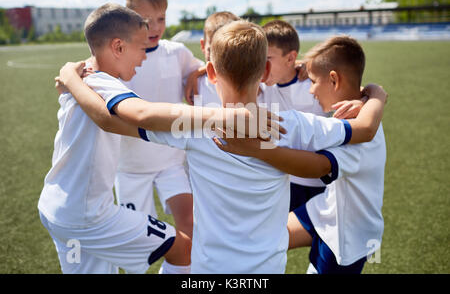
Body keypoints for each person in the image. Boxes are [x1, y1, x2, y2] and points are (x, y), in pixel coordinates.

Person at [57, 21, 387, 273]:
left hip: (209, 268)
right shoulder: (292, 125)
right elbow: (364, 129)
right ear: (267, 70)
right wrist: (374, 93)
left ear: (211, 73)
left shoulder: (191, 127)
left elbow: (108, 119)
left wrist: (75, 80)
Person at [39, 4, 276, 274]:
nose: (143, 58)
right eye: (141, 48)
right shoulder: (101, 82)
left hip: (59, 207)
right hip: (88, 216)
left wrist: (70, 76)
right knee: (182, 249)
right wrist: (222, 116)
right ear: (118, 47)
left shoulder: (81, 80)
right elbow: (143, 113)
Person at [215, 35, 387, 274]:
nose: (311, 89)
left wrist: (256, 150)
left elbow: (319, 167)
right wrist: (374, 93)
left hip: (347, 234)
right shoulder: (357, 109)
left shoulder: (362, 128)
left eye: (314, 81)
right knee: (259, 238)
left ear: (334, 80)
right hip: (324, 209)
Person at [115, 0, 203, 247]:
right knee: (136, 240)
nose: (154, 27)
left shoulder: (176, 52)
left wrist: (196, 72)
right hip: (131, 166)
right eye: (145, 20)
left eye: (161, 18)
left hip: (171, 160)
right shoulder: (119, 56)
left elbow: (204, 69)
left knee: (189, 223)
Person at [260, 20, 366, 211]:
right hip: (283, 181)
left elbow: (351, 91)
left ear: (291, 58)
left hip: (323, 183)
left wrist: (367, 98)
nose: (262, 65)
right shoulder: (260, 87)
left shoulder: (313, 84)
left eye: (267, 58)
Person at [185, 11, 240, 107]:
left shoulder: (253, 81)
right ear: (203, 45)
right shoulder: (196, 83)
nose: (218, 59)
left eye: (227, 51)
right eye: (212, 50)